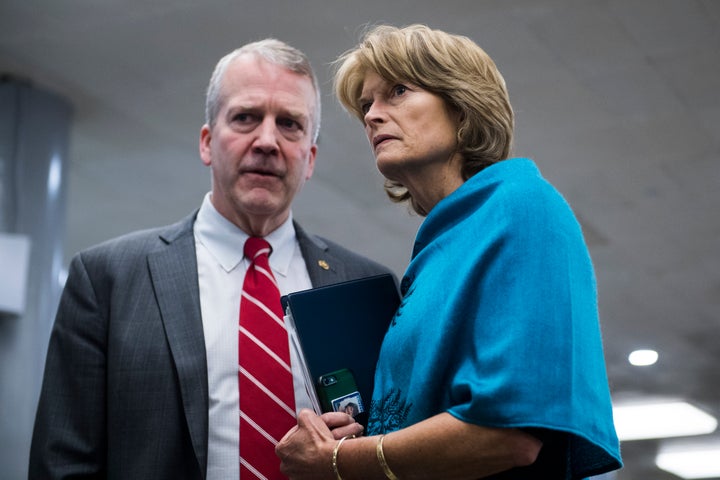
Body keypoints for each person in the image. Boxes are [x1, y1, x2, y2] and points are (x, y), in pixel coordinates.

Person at [29, 39, 390, 480]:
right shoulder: (107, 279)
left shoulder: (364, 288)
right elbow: (62, 462)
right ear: (206, 142)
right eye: (245, 118)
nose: (266, 141)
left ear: (310, 158)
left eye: (291, 125)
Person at [276, 24, 622, 479]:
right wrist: (357, 433)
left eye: (397, 91)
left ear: (462, 105)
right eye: (366, 104)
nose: (373, 116)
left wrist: (338, 462)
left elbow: (508, 431)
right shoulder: (439, 248)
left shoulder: (521, 205)